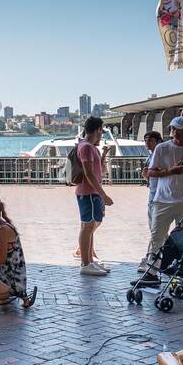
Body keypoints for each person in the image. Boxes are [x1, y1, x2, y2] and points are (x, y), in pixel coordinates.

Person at [141, 116, 183, 281]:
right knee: (157, 236)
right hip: (162, 200)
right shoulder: (162, 148)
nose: (175, 132)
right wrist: (171, 171)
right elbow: (151, 172)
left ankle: (181, 272)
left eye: (179, 129)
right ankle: (151, 271)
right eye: (173, 129)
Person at [75, 116, 115, 276]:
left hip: (90, 193)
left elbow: (97, 171)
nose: (102, 134)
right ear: (98, 129)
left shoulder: (88, 146)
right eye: (101, 131)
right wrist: (103, 194)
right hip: (88, 193)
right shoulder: (86, 147)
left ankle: (90, 260)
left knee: (89, 227)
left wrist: (103, 154)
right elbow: (89, 174)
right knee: (87, 227)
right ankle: (85, 263)